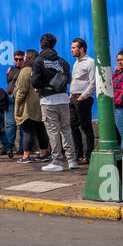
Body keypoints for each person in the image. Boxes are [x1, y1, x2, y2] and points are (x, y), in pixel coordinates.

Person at [33, 33, 75, 171]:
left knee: (53, 131)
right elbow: (68, 79)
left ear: (41, 44)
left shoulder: (39, 61)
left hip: (48, 100)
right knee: (66, 129)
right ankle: (72, 160)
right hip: (63, 98)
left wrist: (38, 87)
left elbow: (34, 81)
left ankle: (56, 161)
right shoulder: (63, 62)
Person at [13, 49, 48, 164]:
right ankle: (43, 154)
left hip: (28, 106)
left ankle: (26, 156)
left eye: (25, 57)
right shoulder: (40, 70)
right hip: (41, 104)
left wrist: (17, 104)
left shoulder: (25, 71)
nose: (23, 59)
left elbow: (21, 91)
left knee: (28, 130)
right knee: (41, 130)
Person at [69, 38, 96, 161]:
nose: (72, 50)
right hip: (73, 98)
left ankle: (89, 155)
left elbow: (93, 83)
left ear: (81, 49)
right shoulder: (76, 62)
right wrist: (72, 94)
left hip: (83, 99)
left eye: (74, 47)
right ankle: (78, 154)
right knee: (73, 126)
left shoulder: (90, 62)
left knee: (86, 127)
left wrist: (82, 96)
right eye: (72, 47)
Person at [4, 49, 24, 155]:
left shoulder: (25, 70)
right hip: (10, 97)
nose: (18, 61)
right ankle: (9, 147)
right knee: (10, 124)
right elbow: (8, 81)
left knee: (22, 124)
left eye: (21, 59)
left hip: (21, 98)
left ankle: (22, 148)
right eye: (16, 59)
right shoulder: (10, 69)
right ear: (13, 59)